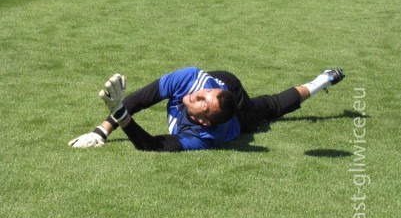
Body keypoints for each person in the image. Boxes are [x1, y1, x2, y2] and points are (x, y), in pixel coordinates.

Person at [68, 67, 345, 153]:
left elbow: (151, 145)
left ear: (204, 121)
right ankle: (321, 81)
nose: (199, 94)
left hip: (237, 107)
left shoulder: (205, 137)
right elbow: (141, 98)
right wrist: (101, 131)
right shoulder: (191, 80)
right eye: (205, 93)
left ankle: (322, 80)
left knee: (268, 108)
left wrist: (121, 114)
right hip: (224, 81)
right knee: (217, 86)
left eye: (203, 102)